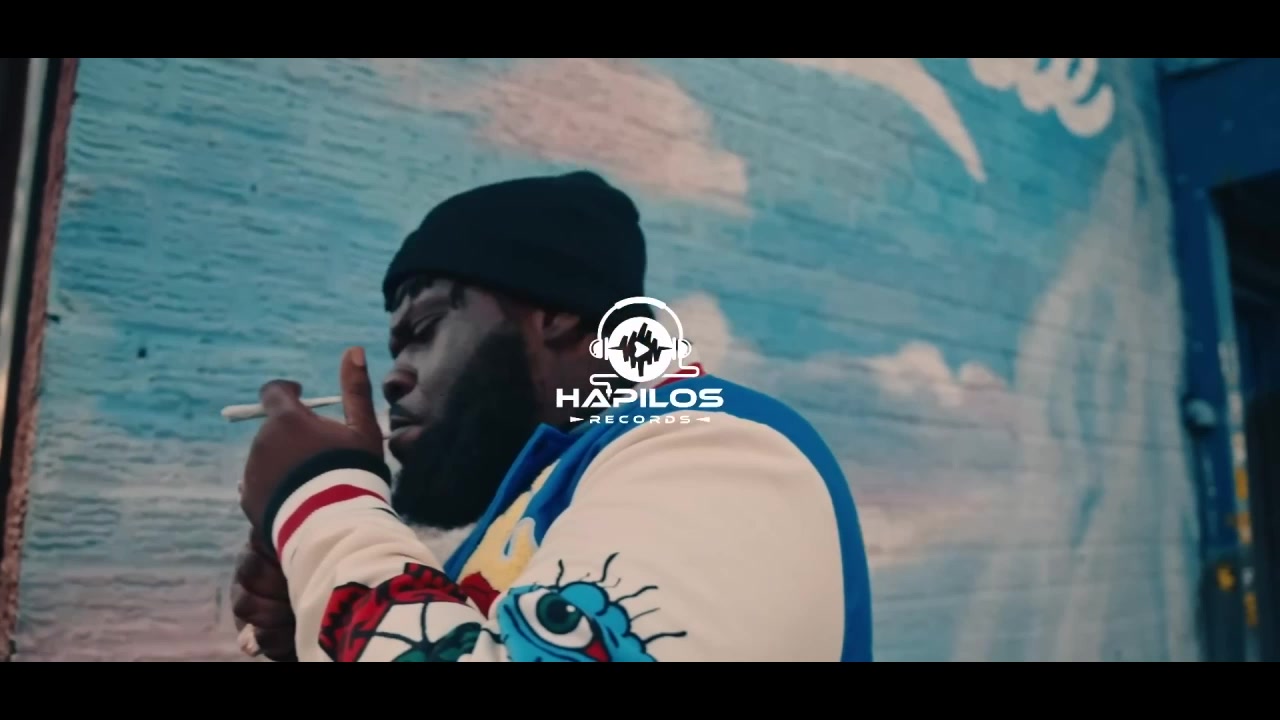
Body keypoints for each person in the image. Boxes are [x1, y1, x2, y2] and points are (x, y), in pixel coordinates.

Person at [230, 170, 873, 662]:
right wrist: (318, 625)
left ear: (557, 312)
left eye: (424, 329)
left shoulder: (715, 447)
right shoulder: (546, 508)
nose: (395, 375)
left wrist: (320, 501)